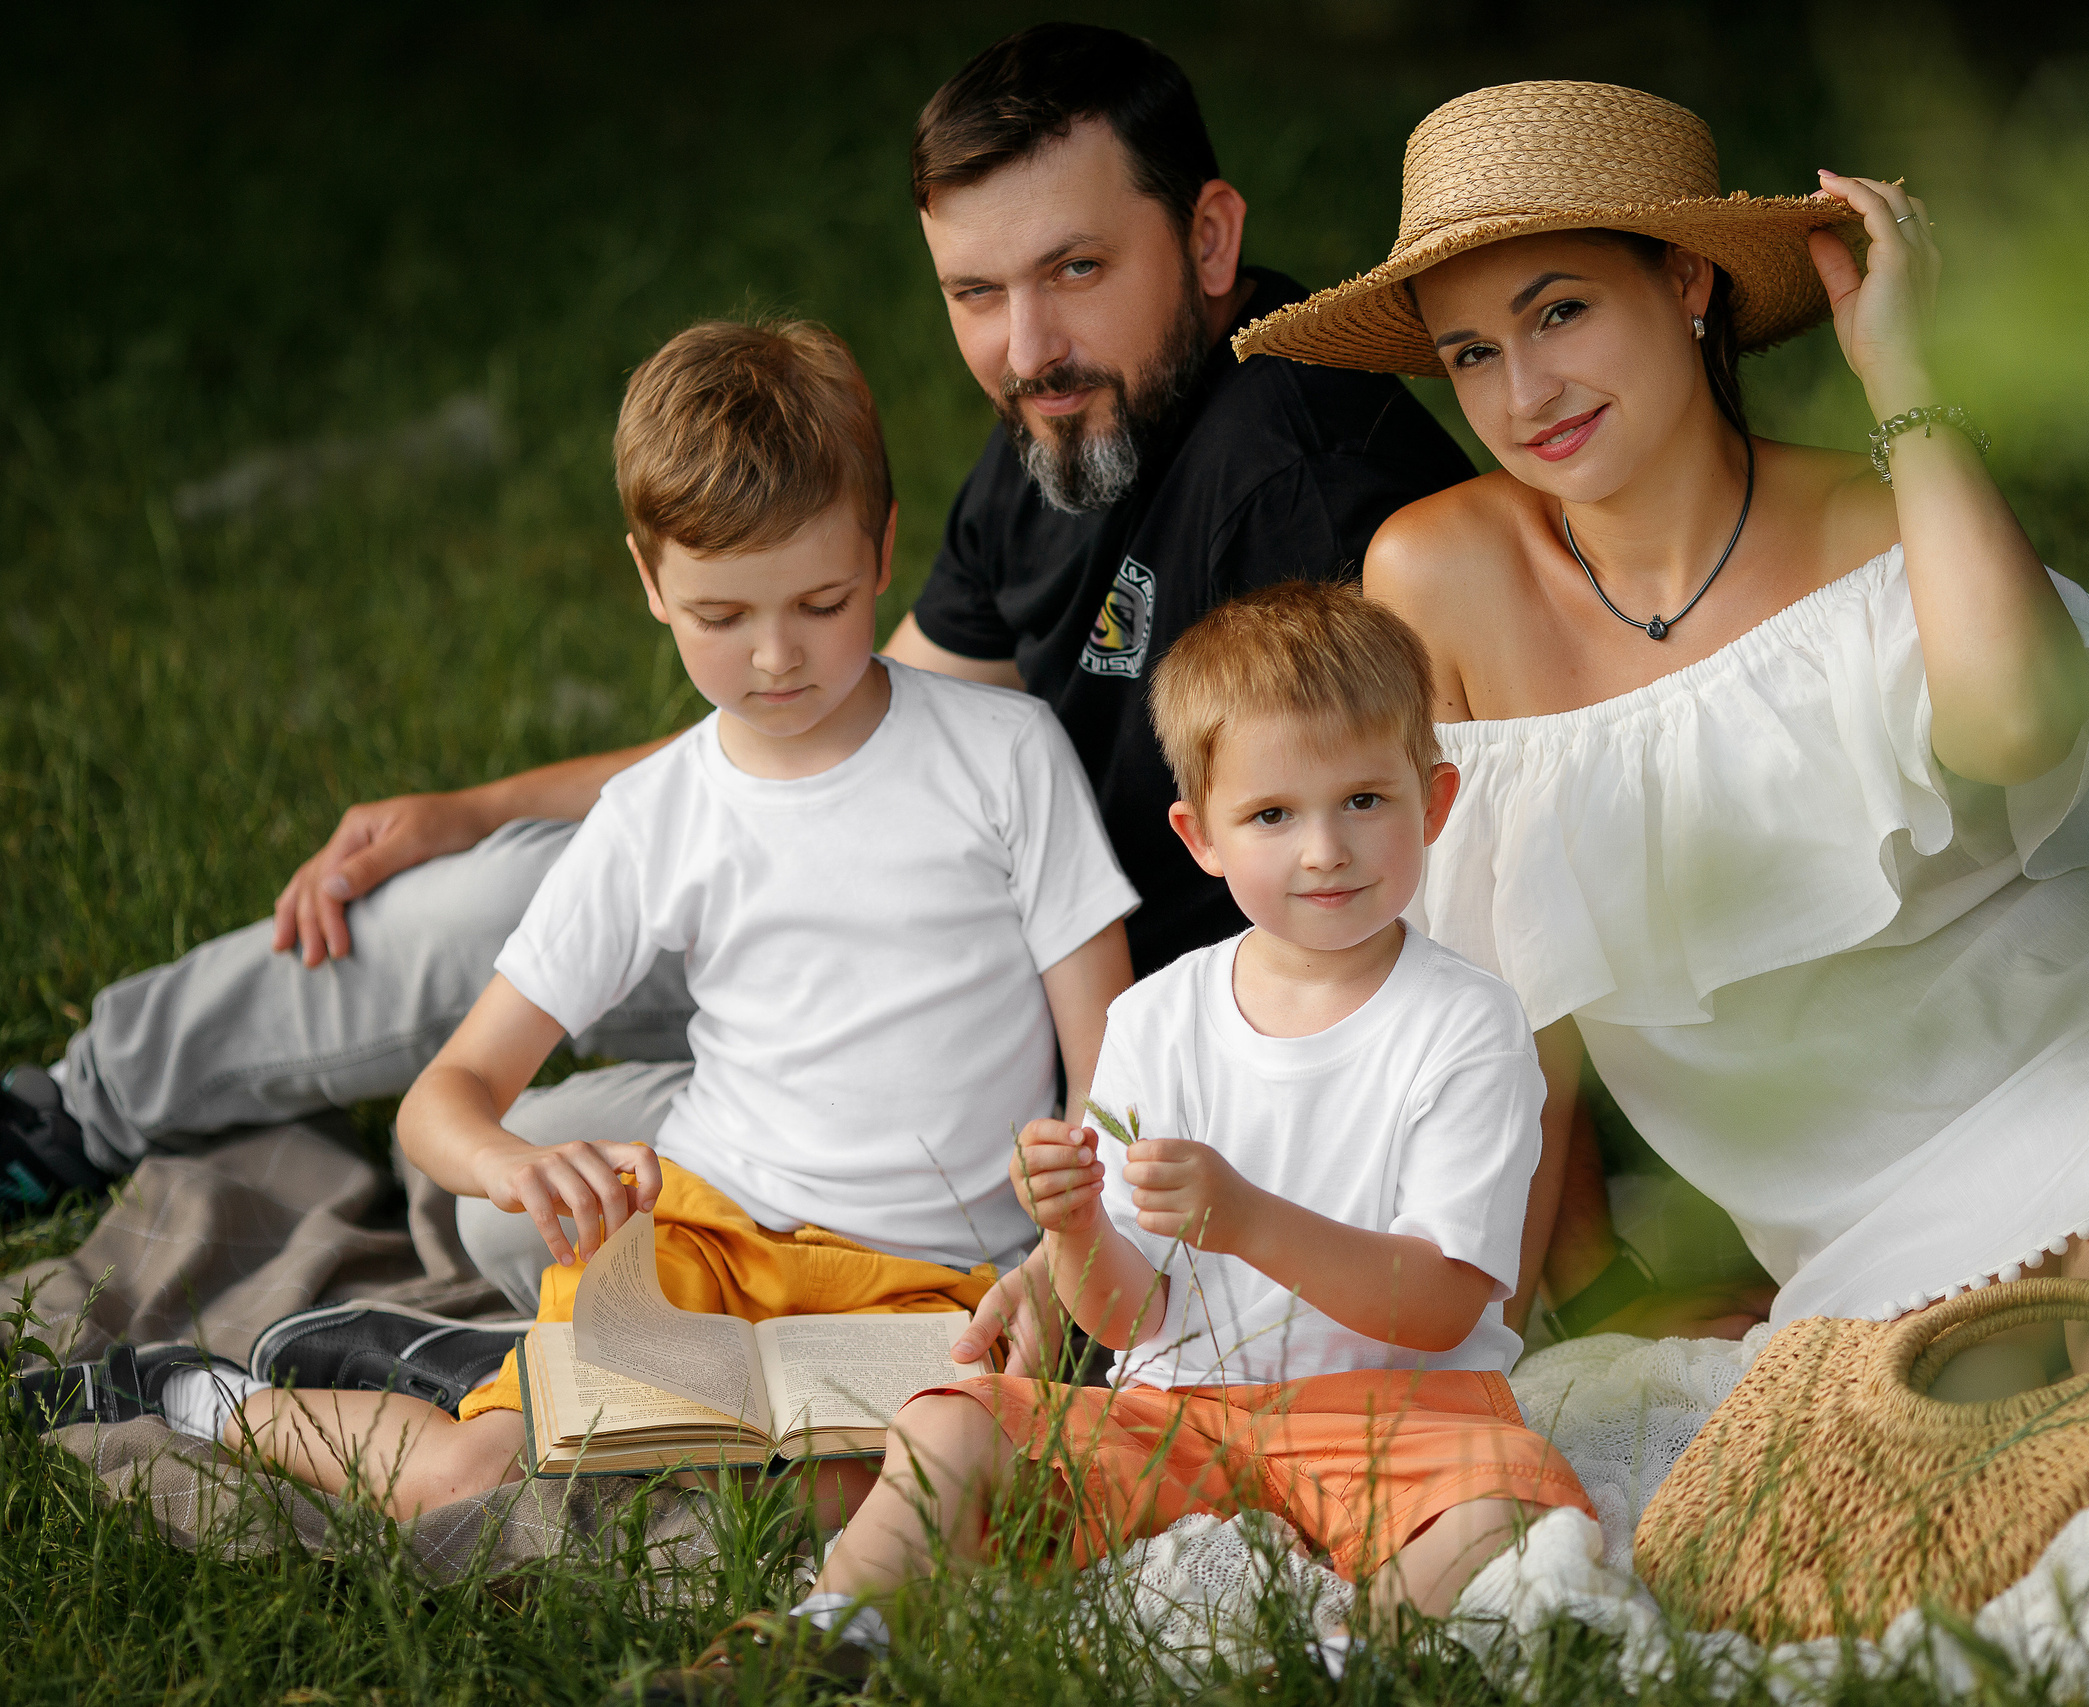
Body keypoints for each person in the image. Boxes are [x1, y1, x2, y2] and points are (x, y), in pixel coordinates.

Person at [0, 24, 1474, 1275]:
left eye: (1075, 267)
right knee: (504, 890)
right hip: (900, 924)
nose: (1024, 346)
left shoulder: (1299, 475)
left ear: (1208, 238)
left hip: (1047, 1049)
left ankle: (377, 1159)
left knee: (519, 1193)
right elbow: (837, 711)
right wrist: (477, 804)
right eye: (975, 292)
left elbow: (1423, 867)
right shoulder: (1075, 418)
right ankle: (71, 1111)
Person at [1229, 80, 2089, 1422]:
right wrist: (1538, 1313)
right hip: (1857, 1203)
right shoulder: (1441, 575)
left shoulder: (1879, 519)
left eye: (1560, 312)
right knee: (2019, 1450)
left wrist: (1905, 383)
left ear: (1686, 281)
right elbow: (1501, 990)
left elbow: (2019, 723)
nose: (1525, 393)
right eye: (1470, 353)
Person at [12, 320, 1138, 1515]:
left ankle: (457, 1363)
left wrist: (1058, 1257)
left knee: (851, 1512)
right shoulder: (657, 812)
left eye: (818, 602)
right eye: (719, 617)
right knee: (468, 1481)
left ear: (883, 548)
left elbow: (1112, 1066)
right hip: (702, 1246)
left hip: (942, 1283)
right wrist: (517, 1164)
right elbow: (447, 1097)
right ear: (650, 582)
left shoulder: (1005, 756)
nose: (774, 658)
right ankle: (208, 1397)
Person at [639, 581, 1590, 1698]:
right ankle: (828, 1634)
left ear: (1434, 802)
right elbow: (1132, 1319)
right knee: (953, 1424)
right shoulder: (1156, 1021)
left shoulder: (1466, 1024)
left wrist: (1250, 1221)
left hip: (1396, 1415)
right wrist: (1075, 1226)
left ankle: (1345, 1663)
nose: (1325, 849)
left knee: (1507, 1494)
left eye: (1365, 800)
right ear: (1201, 836)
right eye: (1272, 816)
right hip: (1178, 1415)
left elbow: (1439, 1305)